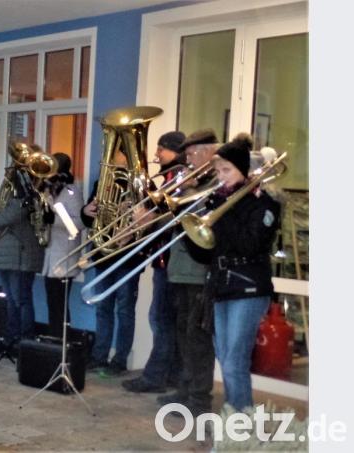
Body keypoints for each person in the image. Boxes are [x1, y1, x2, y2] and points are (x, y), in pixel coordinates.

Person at [202, 133, 281, 412]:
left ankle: (239, 427)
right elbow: (205, 252)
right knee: (225, 358)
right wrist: (192, 230)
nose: (220, 176)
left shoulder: (263, 202)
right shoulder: (221, 200)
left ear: (244, 171)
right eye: (218, 170)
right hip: (222, 286)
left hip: (249, 288)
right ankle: (235, 419)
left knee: (235, 361)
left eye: (226, 170)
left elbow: (250, 243)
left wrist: (221, 214)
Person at [157, 128, 220, 417]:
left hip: (198, 271)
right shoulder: (189, 181)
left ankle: (199, 399)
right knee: (183, 333)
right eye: (188, 153)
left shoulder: (216, 182)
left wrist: (189, 189)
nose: (189, 158)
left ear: (210, 151)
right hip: (179, 269)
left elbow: (203, 221)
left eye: (194, 152)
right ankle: (185, 388)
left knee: (197, 338)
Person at [123, 131, 186, 393]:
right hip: (164, 259)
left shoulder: (179, 178)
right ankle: (171, 374)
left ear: (174, 151)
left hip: (171, 260)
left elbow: (175, 217)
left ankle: (156, 376)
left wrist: (147, 220)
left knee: (160, 318)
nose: (157, 154)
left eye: (161, 149)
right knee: (164, 319)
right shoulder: (167, 178)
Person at [81, 149, 145, 378]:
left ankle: (120, 360)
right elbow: (89, 217)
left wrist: (132, 216)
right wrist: (86, 211)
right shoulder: (102, 183)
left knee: (125, 310)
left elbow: (151, 221)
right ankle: (99, 356)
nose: (116, 167)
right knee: (102, 308)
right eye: (113, 162)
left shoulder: (141, 186)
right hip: (104, 255)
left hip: (128, 258)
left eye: (120, 163)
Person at [0, 166, 45, 348]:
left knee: (20, 299)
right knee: (12, 300)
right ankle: (13, 338)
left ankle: (25, 340)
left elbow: (1, 219)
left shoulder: (24, 199)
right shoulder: (15, 198)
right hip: (9, 256)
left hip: (20, 256)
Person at [39, 153, 85, 337]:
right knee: (52, 301)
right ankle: (54, 338)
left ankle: (60, 340)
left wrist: (53, 218)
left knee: (59, 303)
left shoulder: (72, 191)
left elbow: (77, 225)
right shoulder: (49, 189)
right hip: (52, 255)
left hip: (65, 256)